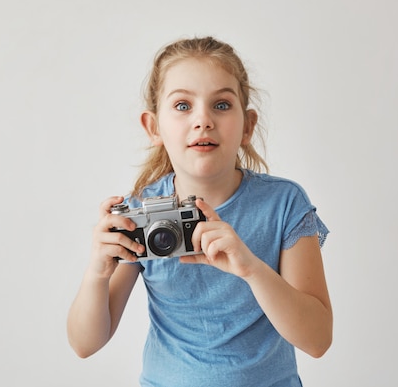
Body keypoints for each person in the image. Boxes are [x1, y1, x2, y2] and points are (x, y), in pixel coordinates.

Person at [67, 36, 332, 386]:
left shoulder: (283, 204)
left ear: (248, 126)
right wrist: (97, 273)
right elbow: (85, 344)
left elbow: (317, 340)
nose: (203, 120)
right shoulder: (138, 215)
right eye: (182, 106)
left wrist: (251, 268)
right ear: (153, 126)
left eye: (221, 105)